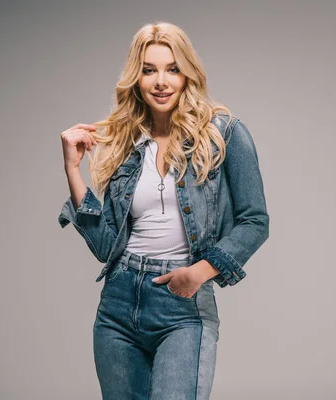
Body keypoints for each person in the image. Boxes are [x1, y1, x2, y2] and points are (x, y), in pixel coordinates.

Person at [57, 21, 269, 399]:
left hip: (182, 305)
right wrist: (73, 171)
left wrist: (200, 273)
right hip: (119, 303)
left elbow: (255, 222)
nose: (161, 81)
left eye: (172, 69)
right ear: (135, 78)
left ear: (187, 73)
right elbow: (107, 248)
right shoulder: (126, 144)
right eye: (149, 70)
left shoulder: (224, 133)